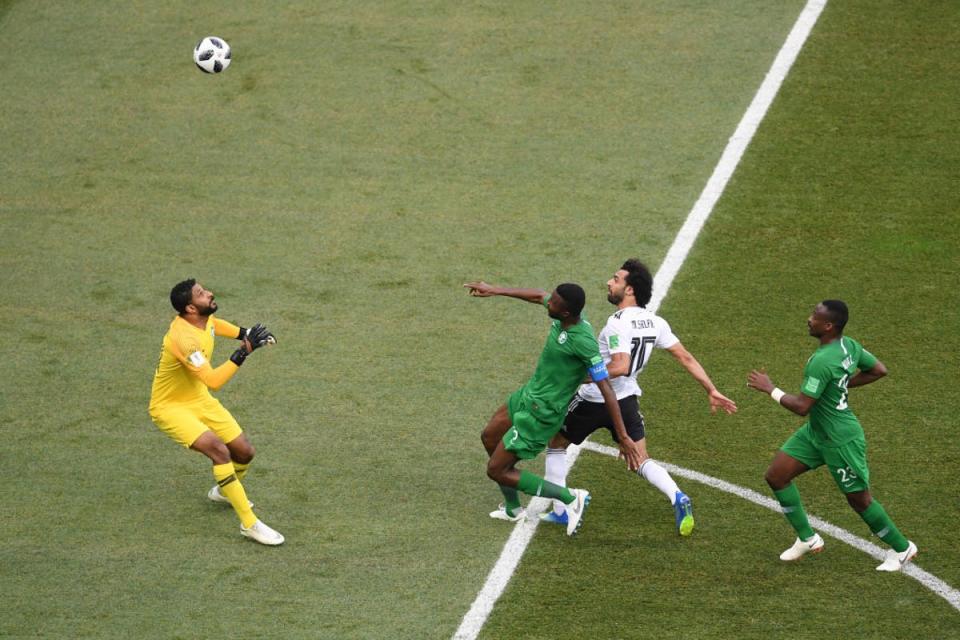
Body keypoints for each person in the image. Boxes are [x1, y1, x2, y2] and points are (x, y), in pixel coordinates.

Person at [537, 259, 737, 536]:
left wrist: (573, 377)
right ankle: (677, 496)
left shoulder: (617, 323)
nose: (609, 282)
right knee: (639, 458)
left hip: (594, 400)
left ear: (629, 289)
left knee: (556, 444)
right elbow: (685, 357)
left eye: (616, 279)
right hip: (628, 401)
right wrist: (711, 389)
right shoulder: (656, 322)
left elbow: (620, 366)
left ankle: (561, 511)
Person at [747, 300, 917, 571]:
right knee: (776, 476)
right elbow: (878, 370)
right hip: (817, 432)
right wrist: (840, 383)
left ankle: (902, 548)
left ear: (828, 326)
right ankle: (807, 538)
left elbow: (802, 407)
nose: (809, 319)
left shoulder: (823, 361)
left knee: (859, 500)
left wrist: (771, 389)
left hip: (840, 439)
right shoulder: (848, 345)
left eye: (815, 316)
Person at [465, 280, 644, 536]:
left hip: (542, 414)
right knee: (489, 436)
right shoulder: (562, 316)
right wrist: (495, 290)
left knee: (496, 470)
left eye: (555, 303)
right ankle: (513, 509)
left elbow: (606, 388)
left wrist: (624, 436)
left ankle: (571, 498)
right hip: (526, 397)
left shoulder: (583, 342)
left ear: (566, 312)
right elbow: (538, 295)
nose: (549, 302)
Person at [149, 279, 284, 546]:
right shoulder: (183, 340)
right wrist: (244, 351)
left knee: (244, 452)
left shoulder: (201, 320)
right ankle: (250, 524)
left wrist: (244, 333)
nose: (209, 293)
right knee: (219, 451)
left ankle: (224, 491)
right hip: (170, 407)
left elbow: (214, 326)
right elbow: (213, 380)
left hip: (198, 398)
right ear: (190, 308)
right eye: (201, 294)